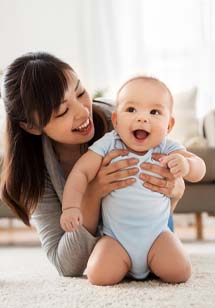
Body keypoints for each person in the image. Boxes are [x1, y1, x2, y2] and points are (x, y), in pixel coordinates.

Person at [1, 52, 185, 277]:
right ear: (32, 126)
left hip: (153, 233)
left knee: (176, 268)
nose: (82, 111)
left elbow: (172, 170)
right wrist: (92, 193)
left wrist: (175, 188)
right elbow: (66, 265)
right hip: (109, 252)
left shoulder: (121, 121)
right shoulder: (35, 171)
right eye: (63, 111)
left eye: (80, 92)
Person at [61, 76, 206, 285]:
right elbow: (80, 173)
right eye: (131, 110)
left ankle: (153, 261)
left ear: (169, 125)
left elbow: (199, 167)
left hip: (158, 236)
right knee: (98, 276)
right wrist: (71, 208)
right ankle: (124, 264)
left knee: (180, 272)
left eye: (154, 112)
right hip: (116, 239)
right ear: (116, 120)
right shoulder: (109, 144)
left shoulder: (166, 147)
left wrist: (187, 165)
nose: (142, 118)